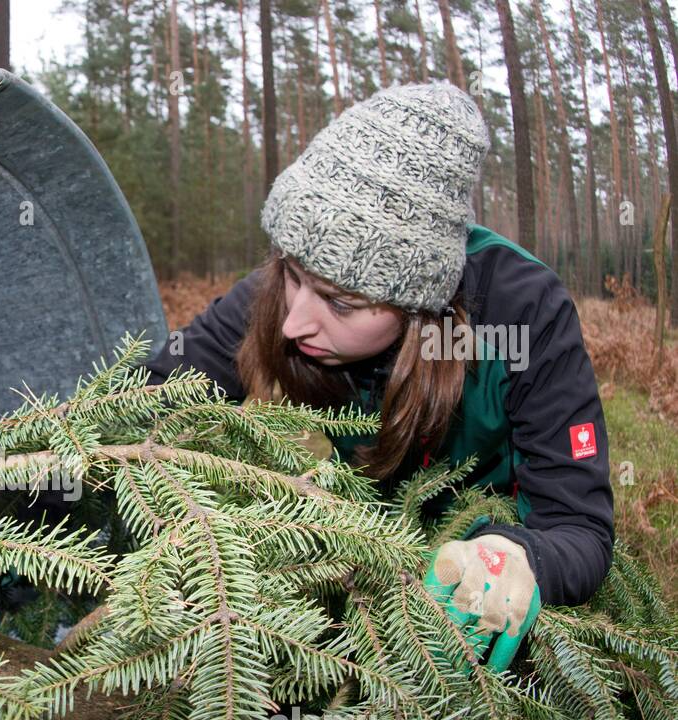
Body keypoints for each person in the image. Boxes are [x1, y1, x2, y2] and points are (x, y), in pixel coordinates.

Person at [142, 82, 614, 669]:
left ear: (420, 305)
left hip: (484, 551)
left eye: (339, 304)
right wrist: (0, 509)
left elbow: (580, 526)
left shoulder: (524, 310)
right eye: (291, 276)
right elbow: (143, 400)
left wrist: (519, 555)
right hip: (369, 548)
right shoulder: (301, 279)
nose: (293, 323)